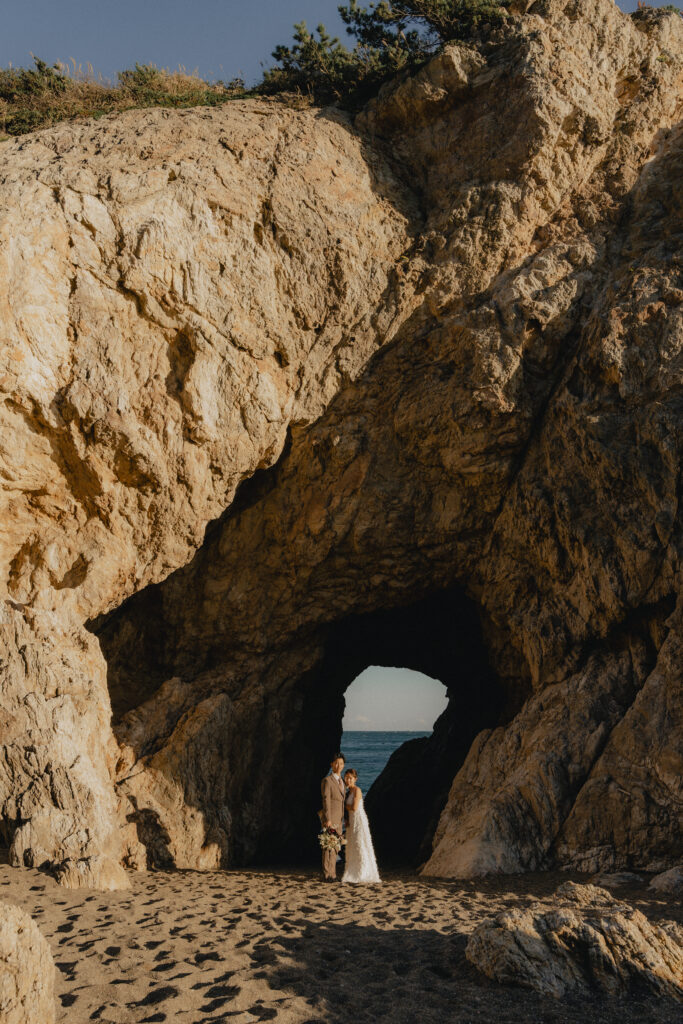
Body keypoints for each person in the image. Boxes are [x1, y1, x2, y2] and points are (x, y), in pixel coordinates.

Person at [342, 768, 381, 884]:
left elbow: (354, 807)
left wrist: (343, 806)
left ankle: (364, 871)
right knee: (352, 845)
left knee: (361, 843)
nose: (348, 780)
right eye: (346, 778)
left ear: (355, 779)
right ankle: (353, 870)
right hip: (351, 821)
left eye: (350, 778)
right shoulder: (348, 791)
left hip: (359, 820)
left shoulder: (357, 790)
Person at [320, 753, 346, 882]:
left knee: (335, 847)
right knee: (328, 846)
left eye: (341, 763)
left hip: (339, 819)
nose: (338, 766)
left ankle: (333, 874)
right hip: (331, 818)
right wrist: (327, 818)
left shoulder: (342, 781)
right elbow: (326, 801)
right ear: (332, 764)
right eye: (336, 763)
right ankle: (326, 874)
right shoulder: (327, 781)